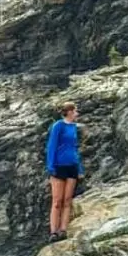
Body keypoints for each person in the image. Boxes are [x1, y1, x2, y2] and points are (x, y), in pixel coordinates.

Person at [46, 101, 83, 243]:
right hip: (59, 166)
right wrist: (50, 166)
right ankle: (53, 232)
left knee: (67, 200)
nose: (77, 113)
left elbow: (74, 148)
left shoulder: (74, 127)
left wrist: (79, 169)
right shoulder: (58, 126)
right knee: (57, 201)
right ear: (69, 112)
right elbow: (51, 146)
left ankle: (63, 230)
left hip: (72, 166)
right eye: (75, 111)